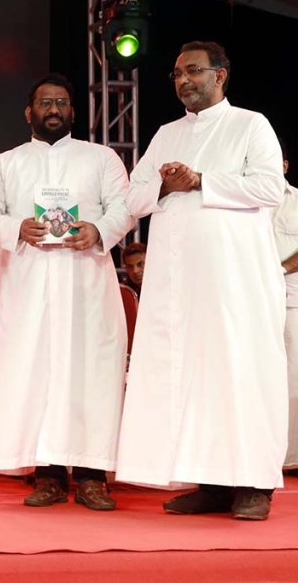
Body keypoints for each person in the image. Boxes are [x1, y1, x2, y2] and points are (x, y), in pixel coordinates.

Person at [116, 41, 287, 520]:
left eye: (193, 71)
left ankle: (254, 485)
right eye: (177, 74)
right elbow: (132, 198)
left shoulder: (250, 125)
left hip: (236, 283)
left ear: (220, 75)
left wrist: (201, 180)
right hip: (179, 286)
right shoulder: (167, 134)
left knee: (240, 371)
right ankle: (209, 482)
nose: (184, 81)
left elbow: (270, 187)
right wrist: (165, 184)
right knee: (191, 375)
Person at [0, 73, 133, 510]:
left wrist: (98, 230)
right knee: (34, 372)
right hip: (26, 283)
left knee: (89, 374)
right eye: (45, 103)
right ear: (29, 111)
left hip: (86, 281)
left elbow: (125, 207)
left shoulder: (101, 158)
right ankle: (46, 474)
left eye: (61, 103)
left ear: (73, 112)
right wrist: (15, 227)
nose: (53, 110)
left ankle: (92, 477)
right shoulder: (5, 163)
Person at [272, 140, 298, 469]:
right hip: (251, 298)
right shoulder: (249, 203)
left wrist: (279, 269)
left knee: (293, 375)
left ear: (285, 166)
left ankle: (291, 458)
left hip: (292, 298)